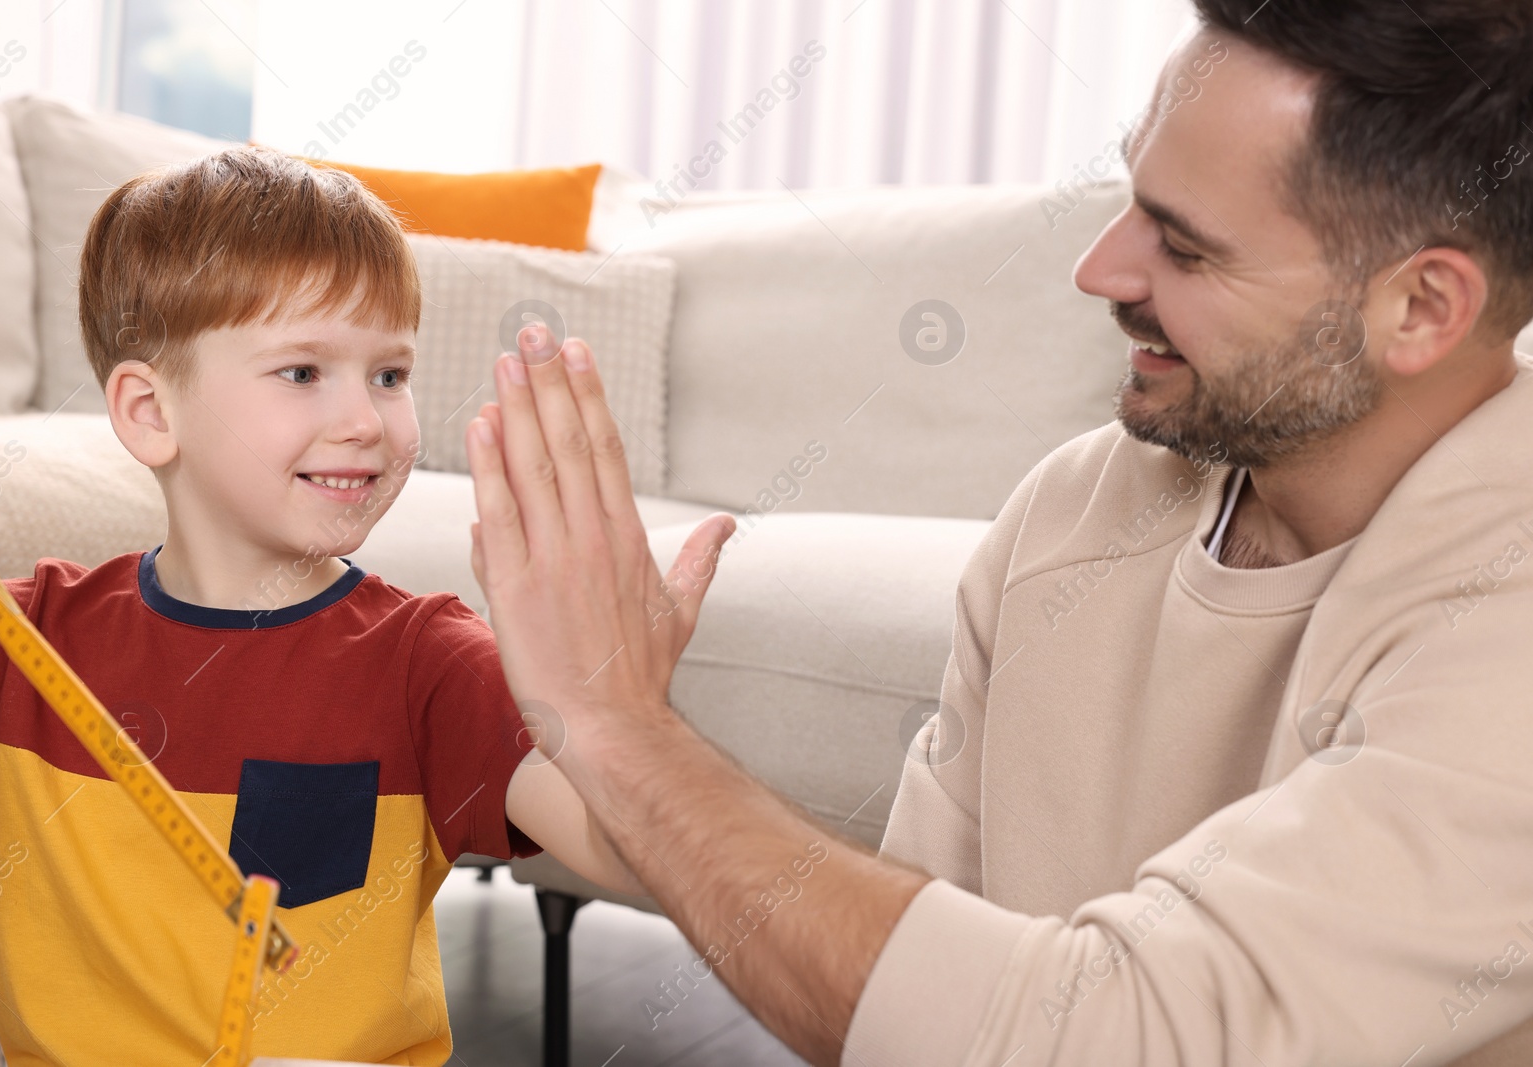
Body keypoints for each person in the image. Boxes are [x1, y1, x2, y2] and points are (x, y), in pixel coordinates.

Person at [463, 1, 1533, 1064]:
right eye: (1132, 200)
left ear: (1421, 308)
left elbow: (1116, 1039)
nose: (1101, 270)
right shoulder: (1078, 507)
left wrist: (621, 731)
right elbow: (916, 1006)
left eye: (1187, 248)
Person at [0, 146, 645, 1064]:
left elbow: (623, 848)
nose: (366, 419)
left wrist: (624, 714)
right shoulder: (16, 647)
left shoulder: (428, 662)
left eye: (390, 374)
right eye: (304, 371)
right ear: (151, 412)